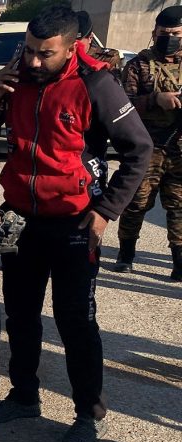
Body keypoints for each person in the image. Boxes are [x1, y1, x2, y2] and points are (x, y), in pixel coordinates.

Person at [0, 5, 152, 442]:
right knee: (21, 316)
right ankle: (24, 396)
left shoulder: (96, 85)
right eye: (28, 50)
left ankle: (87, 414)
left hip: (75, 224)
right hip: (22, 222)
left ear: (72, 49)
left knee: (75, 322)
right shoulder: (17, 78)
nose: (33, 60)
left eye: (44, 53)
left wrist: (105, 211)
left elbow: (139, 150)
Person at [113, 6, 182, 280]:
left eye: (176, 34)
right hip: (147, 147)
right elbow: (123, 105)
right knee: (137, 202)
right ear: (154, 32)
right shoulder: (138, 65)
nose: (170, 38)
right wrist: (156, 100)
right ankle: (126, 255)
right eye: (164, 33)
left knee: (178, 206)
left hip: (179, 148)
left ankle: (179, 262)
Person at [76, 10, 123, 81]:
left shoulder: (107, 58)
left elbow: (110, 84)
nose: (73, 45)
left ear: (90, 38)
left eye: (77, 41)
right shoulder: (64, 55)